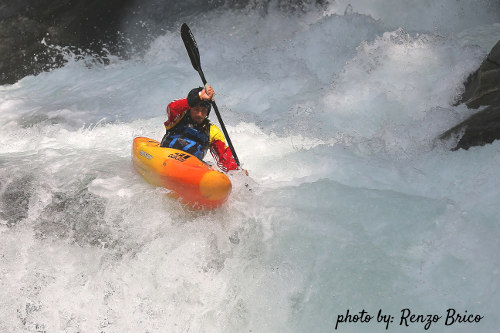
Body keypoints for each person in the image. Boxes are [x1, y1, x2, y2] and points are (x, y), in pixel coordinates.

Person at [160, 85, 240, 172]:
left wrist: (237, 172)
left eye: (203, 111)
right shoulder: (178, 117)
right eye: (196, 109)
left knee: (212, 169)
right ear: (189, 108)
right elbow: (172, 107)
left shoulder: (212, 131)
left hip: (190, 166)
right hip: (165, 157)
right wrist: (198, 97)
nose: (199, 114)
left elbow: (224, 155)